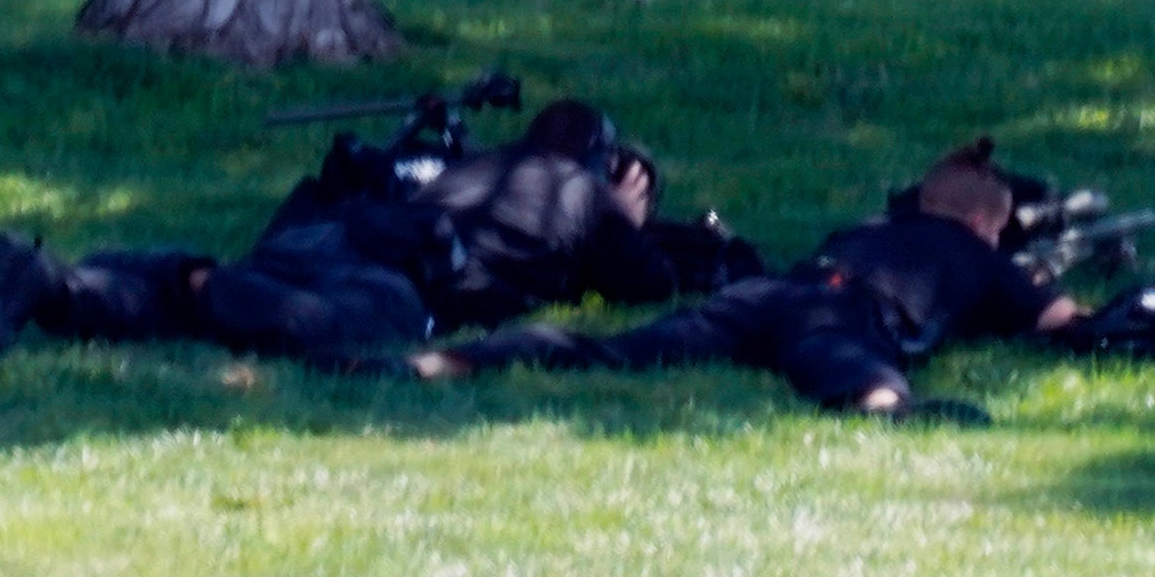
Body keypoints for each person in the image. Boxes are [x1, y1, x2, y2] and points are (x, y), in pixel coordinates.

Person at [0, 98, 714, 361]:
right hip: (394, 279)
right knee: (334, 329)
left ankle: (53, 282)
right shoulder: (579, 197)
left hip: (338, 232)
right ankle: (220, 291)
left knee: (184, 304)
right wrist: (624, 217)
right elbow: (646, 285)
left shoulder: (476, 168)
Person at [401, 141, 1082, 418]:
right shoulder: (983, 256)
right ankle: (887, 408)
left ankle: (449, 359)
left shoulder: (866, 231)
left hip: (770, 292)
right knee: (847, 362)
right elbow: (1066, 326)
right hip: (844, 313)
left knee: (627, 349)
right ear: (984, 224)